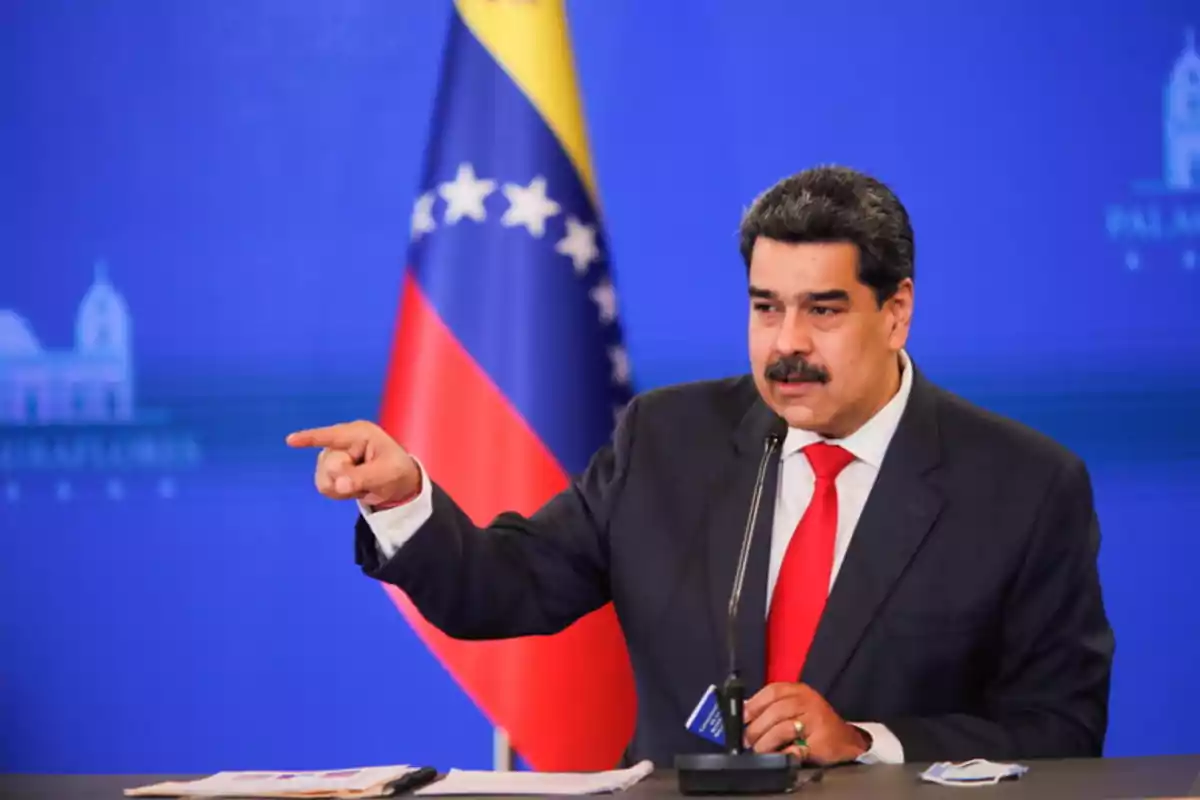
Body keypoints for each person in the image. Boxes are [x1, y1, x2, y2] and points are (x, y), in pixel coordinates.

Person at [287, 166, 1114, 767]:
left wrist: (866, 743)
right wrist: (404, 502)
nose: (787, 342)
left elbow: (1060, 730)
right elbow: (510, 586)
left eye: (823, 310)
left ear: (895, 312)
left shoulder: (1023, 486)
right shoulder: (668, 437)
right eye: (766, 307)